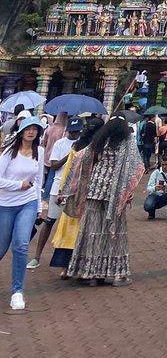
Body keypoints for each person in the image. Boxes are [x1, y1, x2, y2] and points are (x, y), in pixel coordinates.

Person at [66, 115, 144, 288]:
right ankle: (117, 274)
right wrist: (128, 190)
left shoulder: (100, 140)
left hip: (94, 189)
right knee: (115, 233)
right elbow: (136, 166)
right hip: (115, 193)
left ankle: (91, 273)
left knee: (92, 231)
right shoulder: (127, 142)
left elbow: (81, 156)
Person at [0, 115, 45, 310]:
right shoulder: (9, 152)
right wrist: (19, 185)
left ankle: (17, 292)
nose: (31, 132)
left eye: (35, 129)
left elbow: (38, 180)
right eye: (28, 128)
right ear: (21, 131)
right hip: (5, 204)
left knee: (21, 245)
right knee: (2, 247)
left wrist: (38, 207)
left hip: (27, 203)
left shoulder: (39, 152)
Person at [50, 117, 102, 276]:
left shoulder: (77, 147)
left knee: (70, 230)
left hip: (74, 194)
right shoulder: (101, 149)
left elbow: (69, 171)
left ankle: (65, 268)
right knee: (86, 231)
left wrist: (62, 192)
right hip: (91, 195)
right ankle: (82, 268)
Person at [28, 116, 80, 269]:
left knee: (72, 225)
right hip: (57, 187)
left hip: (74, 189)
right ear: (68, 130)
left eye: (77, 131)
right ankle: (37, 256)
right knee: (50, 221)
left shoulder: (83, 143)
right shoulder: (60, 143)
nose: (74, 134)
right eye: (72, 131)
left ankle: (68, 262)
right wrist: (70, 154)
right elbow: (54, 165)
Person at [144, 155, 167, 220]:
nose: (164, 167)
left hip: (166, 194)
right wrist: (155, 188)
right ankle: (151, 212)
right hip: (155, 194)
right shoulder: (155, 173)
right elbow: (148, 188)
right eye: (163, 164)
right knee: (148, 206)